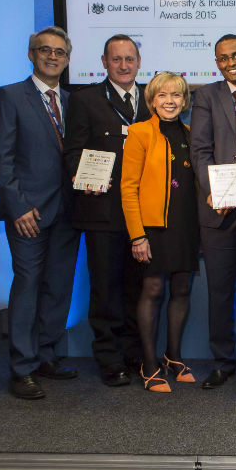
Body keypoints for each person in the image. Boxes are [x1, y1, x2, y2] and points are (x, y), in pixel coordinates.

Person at [0, 26, 80, 399]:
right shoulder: (8, 97)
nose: (52, 56)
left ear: (68, 59)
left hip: (68, 212)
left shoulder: (73, 102)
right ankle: (21, 368)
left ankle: (45, 355)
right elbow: (1, 159)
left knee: (58, 287)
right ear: (31, 54)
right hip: (27, 212)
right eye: (45, 50)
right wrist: (18, 206)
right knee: (27, 286)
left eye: (59, 52)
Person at [63, 34, 150, 387]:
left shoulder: (153, 99)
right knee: (105, 288)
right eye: (117, 59)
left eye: (130, 59)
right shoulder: (85, 101)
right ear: (103, 62)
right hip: (103, 211)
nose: (124, 65)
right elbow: (73, 152)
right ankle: (109, 357)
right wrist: (84, 177)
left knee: (137, 287)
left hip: (143, 214)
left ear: (139, 62)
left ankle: (133, 352)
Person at [190, 34, 236, 390]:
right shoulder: (206, 96)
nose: (230, 62)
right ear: (216, 63)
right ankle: (222, 361)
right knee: (220, 290)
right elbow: (200, 151)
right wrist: (214, 191)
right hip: (219, 209)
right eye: (222, 58)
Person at [121, 72, 199, 393]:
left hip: (186, 226)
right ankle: (150, 364)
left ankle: (174, 357)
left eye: (176, 95)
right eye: (163, 95)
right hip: (152, 229)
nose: (170, 101)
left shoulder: (192, 134)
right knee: (153, 291)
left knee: (181, 291)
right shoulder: (140, 133)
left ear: (184, 100)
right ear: (152, 100)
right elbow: (128, 188)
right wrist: (137, 236)